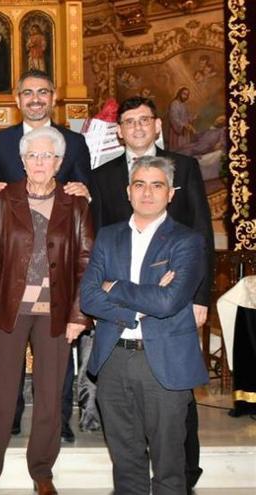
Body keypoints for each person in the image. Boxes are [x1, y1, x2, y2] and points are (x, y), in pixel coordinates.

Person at [89, 96, 213, 489]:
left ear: (170, 192)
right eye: (139, 185)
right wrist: (135, 307)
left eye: (156, 186)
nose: (146, 193)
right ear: (128, 190)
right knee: (125, 464)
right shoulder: (108, 236)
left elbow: (168, 300)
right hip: (113, 357)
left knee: (170, 463)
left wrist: (118, 289)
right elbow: (89, 295)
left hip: (166, 352)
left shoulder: (185, 240)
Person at [0, 126, 93, 495]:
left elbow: (86, 264)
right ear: (22, 161)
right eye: (33, 156)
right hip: (10, 310)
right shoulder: (3, 199)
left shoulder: (76, 204)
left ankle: (42, 470)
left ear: (59, 162)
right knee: (2, 395)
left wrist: (78, 315)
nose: (40, 162)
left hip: (56, 313)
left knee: (51, 396)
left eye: (47, 156)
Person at [167, 87, 197, 151]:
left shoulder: (183, 104)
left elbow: (186, 117)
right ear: (179, 93)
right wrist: (183, 125)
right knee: (177, 150)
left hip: (185, 131)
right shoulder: (174, 104)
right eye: (184, 94)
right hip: (177, 132)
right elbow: (173, 118)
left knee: (185, 149)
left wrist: (192, 118)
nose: (185, 96)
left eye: (187, 95)